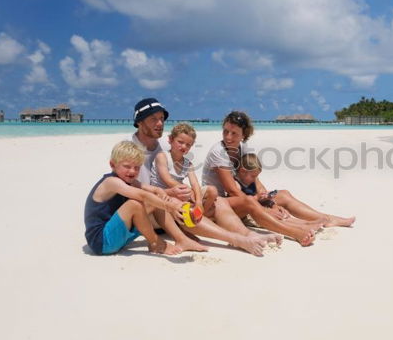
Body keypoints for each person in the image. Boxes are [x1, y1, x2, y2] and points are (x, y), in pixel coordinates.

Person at [130, 98, 279, 256]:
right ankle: (236, 239)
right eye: (153, 119)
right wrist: (168, 193)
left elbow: (185, 179)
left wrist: (196, 198)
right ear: (139, 122)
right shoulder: (132, 148)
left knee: (216, 199)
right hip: (151, 208)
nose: (160, 123)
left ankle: (248, 234)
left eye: (161, 118)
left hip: (168, 201)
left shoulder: (156, 145)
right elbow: (132, 186)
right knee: (185, 207)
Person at [202, 111, 318, 246]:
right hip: (216, 206)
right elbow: (233, 191)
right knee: (250, 201)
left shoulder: (241, 147)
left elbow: (254, 179)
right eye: (225, 131)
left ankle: (321, 219)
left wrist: (269, 201)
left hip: (233, 200)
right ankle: (295, 232)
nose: (228, 137)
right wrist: (264, 209)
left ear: (243, 135)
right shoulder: (218, 152)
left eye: (234, 133)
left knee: (282, 194)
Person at [84, 141, 186, 256]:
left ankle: (180, 237)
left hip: (118, 236)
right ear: (113, 165)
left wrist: (160, 191)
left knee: (153, 200)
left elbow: (151, 190)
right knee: (135, 204)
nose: (132, 171)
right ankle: (155, 243)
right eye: (127, 166)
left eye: (137, 167)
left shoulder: (129, 180)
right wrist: (170, 207)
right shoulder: (111, 182)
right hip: (101, 242)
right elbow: (142, 195)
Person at [236, 153, 355, 228]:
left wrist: (271, 203)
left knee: (284, 194)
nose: (254, 179)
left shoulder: (249, 175)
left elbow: (262, 190)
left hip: (256, 204)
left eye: (255, 176)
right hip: (247, 211)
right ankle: (308, 224)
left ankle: (327, 218)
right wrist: (263, 203)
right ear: (241, 171)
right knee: (279, 216)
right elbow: (244, 202)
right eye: (252, 176)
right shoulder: (236, 183)